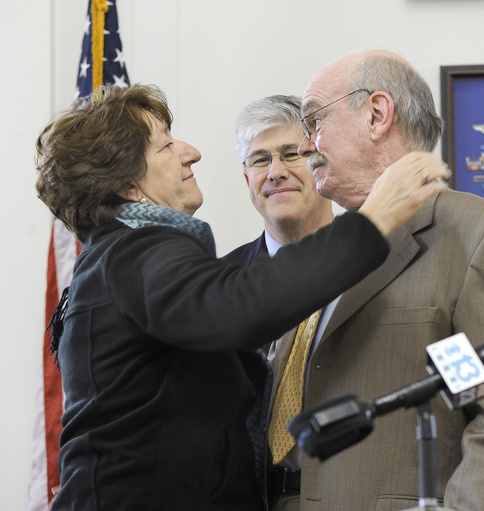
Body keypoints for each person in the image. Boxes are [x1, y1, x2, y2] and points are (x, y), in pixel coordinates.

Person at [33, 83, 449, 511]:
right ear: (128, 186)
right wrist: (374, 219)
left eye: (292, 154)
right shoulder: (137, 252)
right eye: (166, 146)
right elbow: (243, 309)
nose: (191, 152)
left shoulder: (114, 257)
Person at [272, 49, 484, 511]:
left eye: (315, 121)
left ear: (377, 115)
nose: (304, 146)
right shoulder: (326, 247)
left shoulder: (474, 237)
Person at [222, 94, 334, 499]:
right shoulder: (218, 284)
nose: (275, 172)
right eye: (259, 159)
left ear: (322, 162)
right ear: (247, 179)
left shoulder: (381, 266)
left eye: (292, 154)